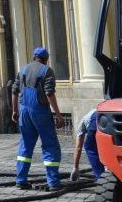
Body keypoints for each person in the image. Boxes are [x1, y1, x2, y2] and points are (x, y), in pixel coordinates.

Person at [11, 46, 65, 190]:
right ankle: (53, 182)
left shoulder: (22, 70)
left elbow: (14, 90)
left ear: (34, 57)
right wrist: (58, 115)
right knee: (50, 145)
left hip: (24, 111)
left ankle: (21, 179)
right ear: (46, 59)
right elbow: (49, 93)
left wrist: (15, 111)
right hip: (40, 111)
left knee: (25, 146)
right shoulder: (47, 70)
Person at [70, 108, 104, 180]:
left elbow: (78, 147)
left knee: (90, 147)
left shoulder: (82, 123)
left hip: (98, 119)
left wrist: (75, 168)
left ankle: (101, 178)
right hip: (110, 115)